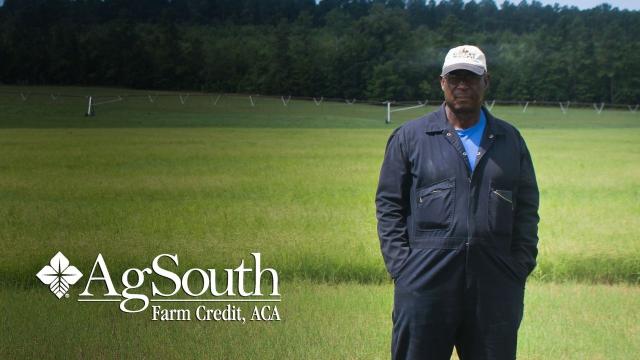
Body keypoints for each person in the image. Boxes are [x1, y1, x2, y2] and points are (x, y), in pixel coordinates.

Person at [375, 45, 539, 360]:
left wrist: (518, 266)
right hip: (424, 282)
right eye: (455, 78)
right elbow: (389, 206)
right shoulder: (411, 137)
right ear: (442, 82)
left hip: (495, 285)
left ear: (485, 82)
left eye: (471, 77)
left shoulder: (510, 140)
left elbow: (527, 209)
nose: (462, 85)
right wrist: (403, 268)